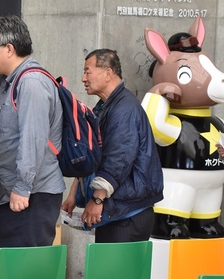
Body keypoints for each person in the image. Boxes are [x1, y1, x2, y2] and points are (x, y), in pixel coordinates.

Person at [61, 49, 163, 242]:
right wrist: (74, 194)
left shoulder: (124, 109)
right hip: (117, 212)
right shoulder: (105, 106)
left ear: (108, 73)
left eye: (88, 72)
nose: (83, 78)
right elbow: (92, 154)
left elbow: (118, 159)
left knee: (115, 264)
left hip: (127, 216)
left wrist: (97, 199)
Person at [0, 15, 65, 250]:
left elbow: (33, 139)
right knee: (10, 267)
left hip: (29, 198)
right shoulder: (12, 81)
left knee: (26, 268)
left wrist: (22, 187)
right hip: (12, 195)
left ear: (9, 49)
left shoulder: (31, 82)